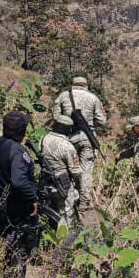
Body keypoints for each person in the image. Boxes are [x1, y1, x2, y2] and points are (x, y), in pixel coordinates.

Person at [0, 111, 40, 278]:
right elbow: (18, 181)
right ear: (22, 131)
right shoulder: (19, 151)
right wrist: (33, 197)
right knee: (18, 246)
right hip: (15, 207)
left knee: (3, 243)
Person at [52, 77, 107, 207]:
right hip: (88, 137)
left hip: (68, 137)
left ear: (73, 84)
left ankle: (67, 196)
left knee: (67, 167)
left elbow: (55, 116)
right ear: (86, 85)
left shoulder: (63, 96)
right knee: (86, 169)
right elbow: (102, 121)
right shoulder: (93, 98)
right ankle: (83, 202)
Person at [39, 114, 82, 227]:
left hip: (46, 181)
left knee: (50, 211)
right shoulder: (67, 146)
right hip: (63, 183)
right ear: (68, 129)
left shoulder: (43, 139)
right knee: (67, 213)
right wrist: (78, 185)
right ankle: (66, 241)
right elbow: (76, 171)